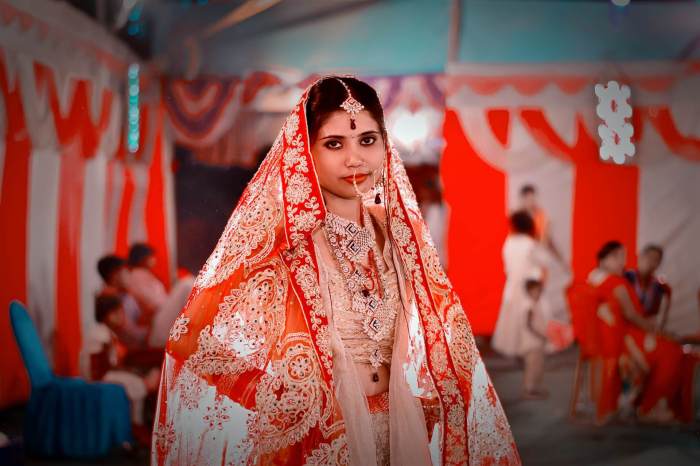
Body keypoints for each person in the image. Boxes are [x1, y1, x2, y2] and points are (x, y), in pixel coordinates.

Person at [151, 77, 520, 466]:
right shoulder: (285, 244)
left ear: (384, 144)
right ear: (305, 152)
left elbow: (440, 335)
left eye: (367, 140)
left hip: (402, 431)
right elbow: (190, 341)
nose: (354, 159)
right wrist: (289, 398)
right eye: (333, 144)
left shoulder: (399, 236)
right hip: (325, 442)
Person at [587, 241, 685, 423]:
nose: (621, 263)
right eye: (617, 257)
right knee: (671, 352)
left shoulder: (595, 278)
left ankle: (647, 403)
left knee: (669, 347)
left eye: (623, 258)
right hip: (622, 338)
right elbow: (632, 315)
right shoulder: (617, 281)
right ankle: (651, 406)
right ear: (604, 259)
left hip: (617, 335)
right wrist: (658, 333)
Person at [82, 294, 160, 444]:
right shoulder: (100, 334)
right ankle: (135, 425)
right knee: (136, 384)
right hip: (98, 376)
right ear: (108, 315)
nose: (122, 316)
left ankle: (136, 424)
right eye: (118, 313)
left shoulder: (106, 332)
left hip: (102, 372)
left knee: (136, 380)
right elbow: (99, 365)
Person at [97, 255, 147, 349]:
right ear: (114, 274)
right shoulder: (109, 300)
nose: (130, 274)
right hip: (134, 351)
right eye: (126, 270)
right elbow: (131, 336)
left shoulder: (125, 295)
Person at [623, 244, 671, 330]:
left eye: (656, 260)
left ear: (659, 264)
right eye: (649, 257)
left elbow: (660, 317)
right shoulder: (625, 277)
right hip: (625, 327)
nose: (651, 262)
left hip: (647, 330)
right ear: (640, 257)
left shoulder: (661, 287)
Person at [127, 243, 168, 321]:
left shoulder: (143, 274)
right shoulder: (137, 275)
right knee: (186, 284)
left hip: (163, 312)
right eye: (151, 256)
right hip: (158, 316)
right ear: (141, 258)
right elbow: (150, 302)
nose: (153, 259)